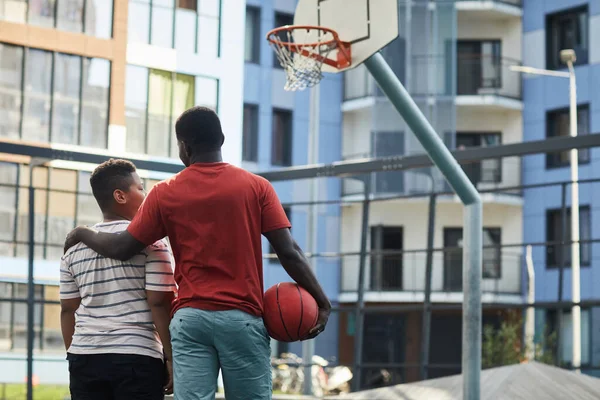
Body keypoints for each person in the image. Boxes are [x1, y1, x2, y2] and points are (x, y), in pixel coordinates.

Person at [63, 106, 332, 400]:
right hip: (241, 318)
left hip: (191, 320)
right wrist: (321, 300)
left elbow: (122, 247)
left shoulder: (164, 192)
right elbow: (289, 251)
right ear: (222, 139)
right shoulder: (258, 187)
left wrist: (81, 233)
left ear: (184, 146)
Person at [60, 159, 177, 400]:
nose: (145, 194)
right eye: (141, 188)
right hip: (136, 357)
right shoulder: (153, 245)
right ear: (120, 196)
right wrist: (171, 358)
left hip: (84, 357)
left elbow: (67, 309)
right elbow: (159, 303)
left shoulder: (73, 249)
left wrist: (75, 354)